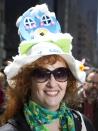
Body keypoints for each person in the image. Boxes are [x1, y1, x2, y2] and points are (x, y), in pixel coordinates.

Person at [0, 3, 95, 131]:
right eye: (41, 74)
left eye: (60, 73)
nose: (52, 83)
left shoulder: (84, 125)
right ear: (28, 81)